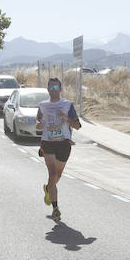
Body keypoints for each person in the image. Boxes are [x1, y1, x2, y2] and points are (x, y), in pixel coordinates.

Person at [35, 77, 81, 221]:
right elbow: (37, 124)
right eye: (51, 87)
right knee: (52, 173)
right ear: (48, 89)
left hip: (63, 143)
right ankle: (56, 208)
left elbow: (78, 126)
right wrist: (41, 125)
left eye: (56, 88)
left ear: (61, 89)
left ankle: (49, 189)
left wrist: (65, 118)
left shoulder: (67, 105)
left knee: (58, 176)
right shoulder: (43, 105)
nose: (53, 90)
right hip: (48, 143)